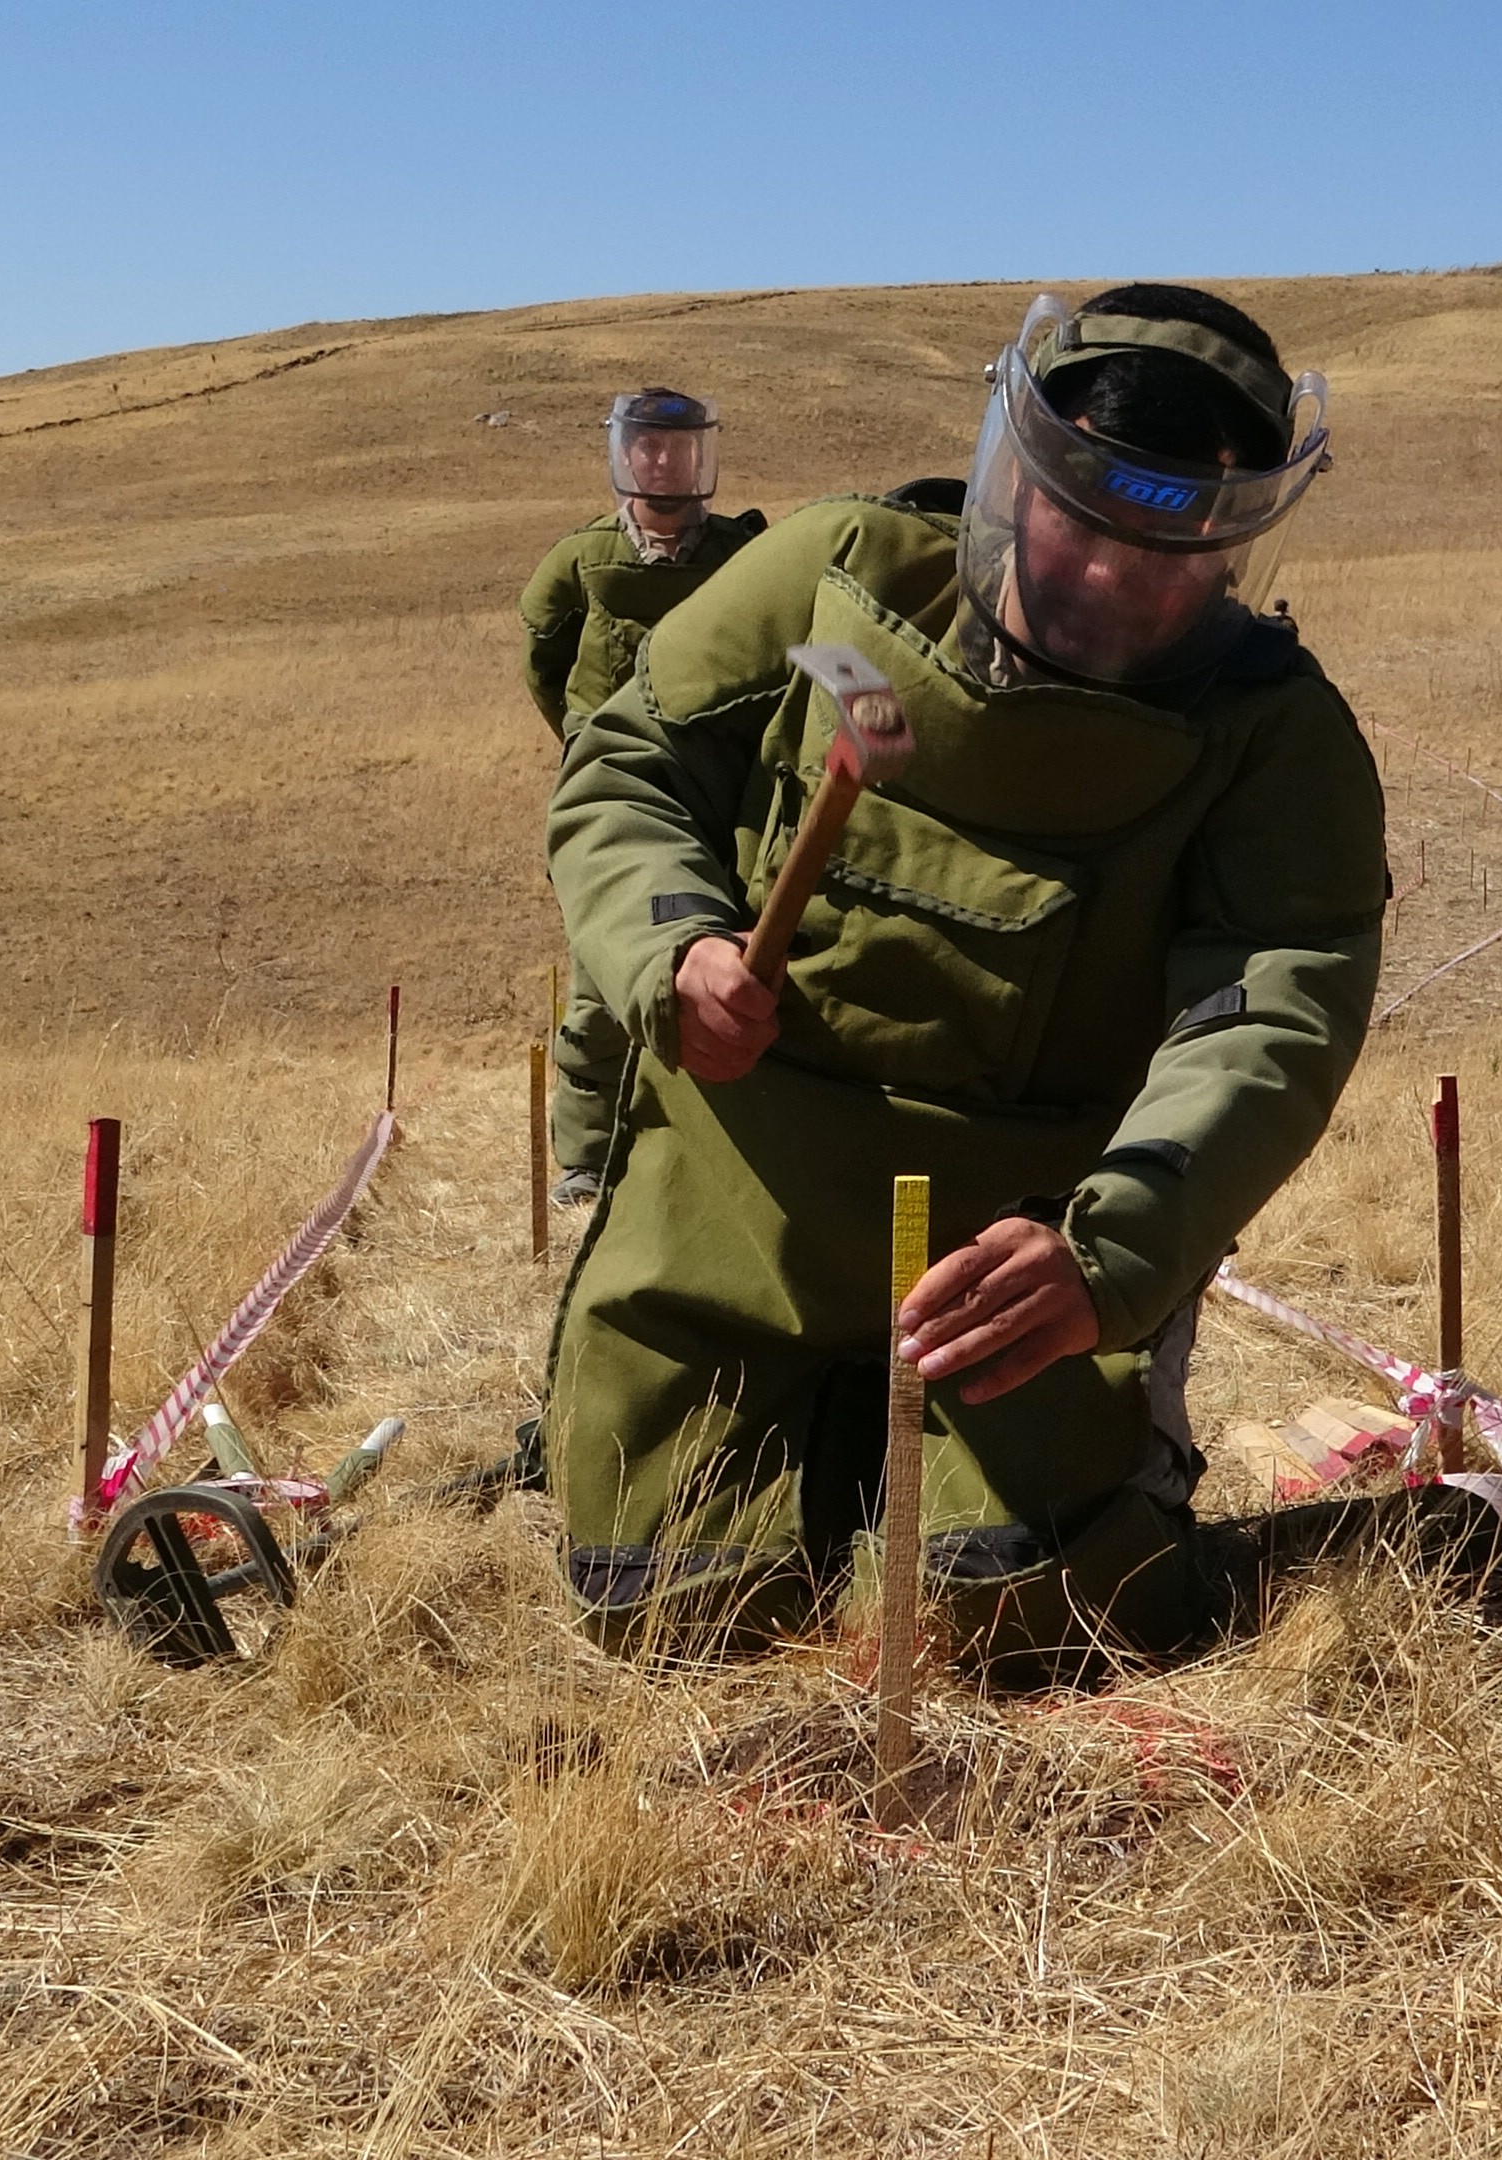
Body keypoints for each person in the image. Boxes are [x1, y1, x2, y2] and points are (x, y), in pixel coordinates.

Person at [539, 285, 1390, 1684]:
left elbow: (1275, 1012)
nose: (1119, 579)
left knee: (1017, 1627)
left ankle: (1360, 1542)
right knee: (665, 1608)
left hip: (1013, 1257)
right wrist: (671, 947)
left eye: (1175, 549)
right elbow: (629, 765)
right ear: (1016, 470)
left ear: (1242, 534)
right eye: (1085, 524)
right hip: (729, 1207)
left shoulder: (1269, 741)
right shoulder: (835, 580)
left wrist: (1105, 1256)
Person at [518, 389, 772, 1204]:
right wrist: (588, 747)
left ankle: (711, 1151)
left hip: (721, 791)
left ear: (702, 455)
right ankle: (586, 1158)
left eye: (678, 447)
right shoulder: (580, 562)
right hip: (618, 794)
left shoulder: (744, 558)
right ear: (623, 453)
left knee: (727, 960)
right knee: (602, 978)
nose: (663, 462)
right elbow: (544, 660)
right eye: (648, 446)